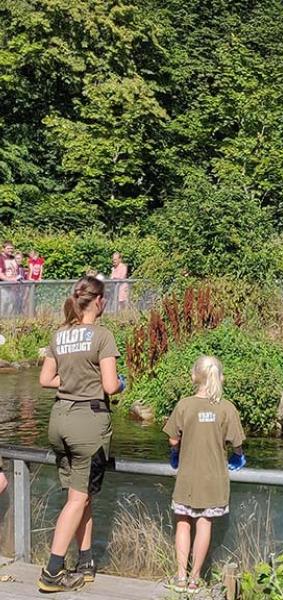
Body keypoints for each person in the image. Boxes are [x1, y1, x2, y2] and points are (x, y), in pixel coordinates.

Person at [38, 276, 125, 592]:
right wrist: (122, 384)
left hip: (59, 420)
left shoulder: (59, 334)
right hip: (88, 424)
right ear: (99, 301)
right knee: (77, 499)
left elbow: (46, 379)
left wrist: (72, 381)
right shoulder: (102, 335)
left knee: (81, 494)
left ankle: (85, 562)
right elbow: (110, 386)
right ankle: (52, 572)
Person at [163, 356, 246, 594]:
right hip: (213, 479)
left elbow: (172, 438)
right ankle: (194, 579)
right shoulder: (226, 407)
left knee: (182, 524)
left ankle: (180, 576)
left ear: (193, 377)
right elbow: (236, 442)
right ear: (221, 378)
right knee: (204, 524)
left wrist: (175, 452)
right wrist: (238, 456)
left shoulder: (184, 405)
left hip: (187, 476)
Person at [0, 240, 18, 316]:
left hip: (12, 286)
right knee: (3, 305)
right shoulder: (0, 258)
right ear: (3, 249)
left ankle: (8, 324)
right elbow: (0, 274)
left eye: (11, 248)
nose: (10, 250)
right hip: (3, 286)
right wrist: (11, 280)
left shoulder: (12, 258)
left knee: (11, 306)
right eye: (8, 248)